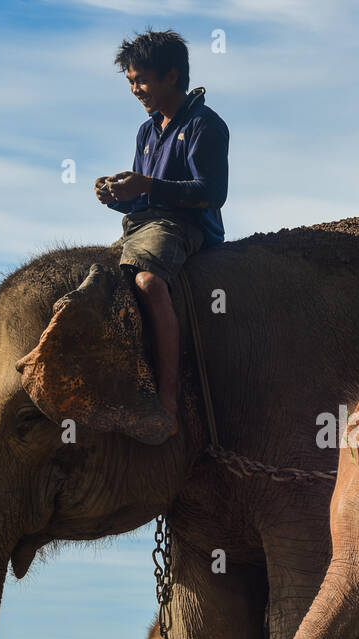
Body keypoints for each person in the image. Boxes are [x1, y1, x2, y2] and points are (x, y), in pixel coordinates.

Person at [96, 29, 230, 436]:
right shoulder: (147, 132)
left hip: (185, 227)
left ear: (171, 76)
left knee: (150, 282)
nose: (136, 89)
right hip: (143, 225)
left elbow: (211, 192)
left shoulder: (205, 125)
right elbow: (141, 199)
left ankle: (168, 401)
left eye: (142, 80)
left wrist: (148, 186)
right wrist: (118, 194)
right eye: (131, 82)